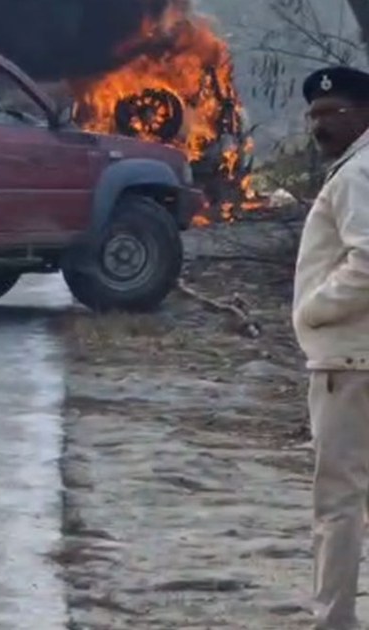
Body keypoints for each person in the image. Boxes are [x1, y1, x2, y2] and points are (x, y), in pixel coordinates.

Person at [294, 65, 369, 629]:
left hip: (348, 363)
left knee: (338, 506)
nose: (320, 125)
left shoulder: (358, 174)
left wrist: (314, 308)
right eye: (314, 115)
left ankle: (332, 621)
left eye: (333, 114)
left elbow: (367, 261)